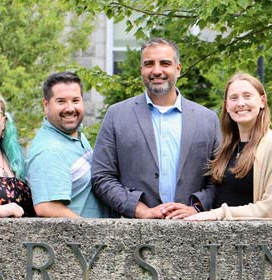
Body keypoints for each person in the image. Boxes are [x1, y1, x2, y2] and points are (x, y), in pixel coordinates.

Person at [91, 37, 220, 219]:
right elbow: (101, 176)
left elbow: (219, 179)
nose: (156, 71)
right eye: (149, 64)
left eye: (165, 63)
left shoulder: (207, 119)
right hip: (134, 232)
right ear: (141, 70)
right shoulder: (116, 115)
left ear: (178, 69)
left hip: (194, 229)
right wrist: (140, 210)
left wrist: (196, 208)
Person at [185, 73, 272, 220]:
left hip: (254, 240)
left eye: (247, 96)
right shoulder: (226, 147)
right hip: (218, 239)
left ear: (262, 101)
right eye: (234, 98)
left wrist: (218, 214)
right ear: (226, 106)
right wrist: (194, 209)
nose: (240, 103)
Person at [26, 72, 109, 218]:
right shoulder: (49, 150)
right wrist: (92, 232)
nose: (70, 108)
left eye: (75, 100)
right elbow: (47, 207)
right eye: (61, 101)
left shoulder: (74, 135)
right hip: (80, 238)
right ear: (46, 105)